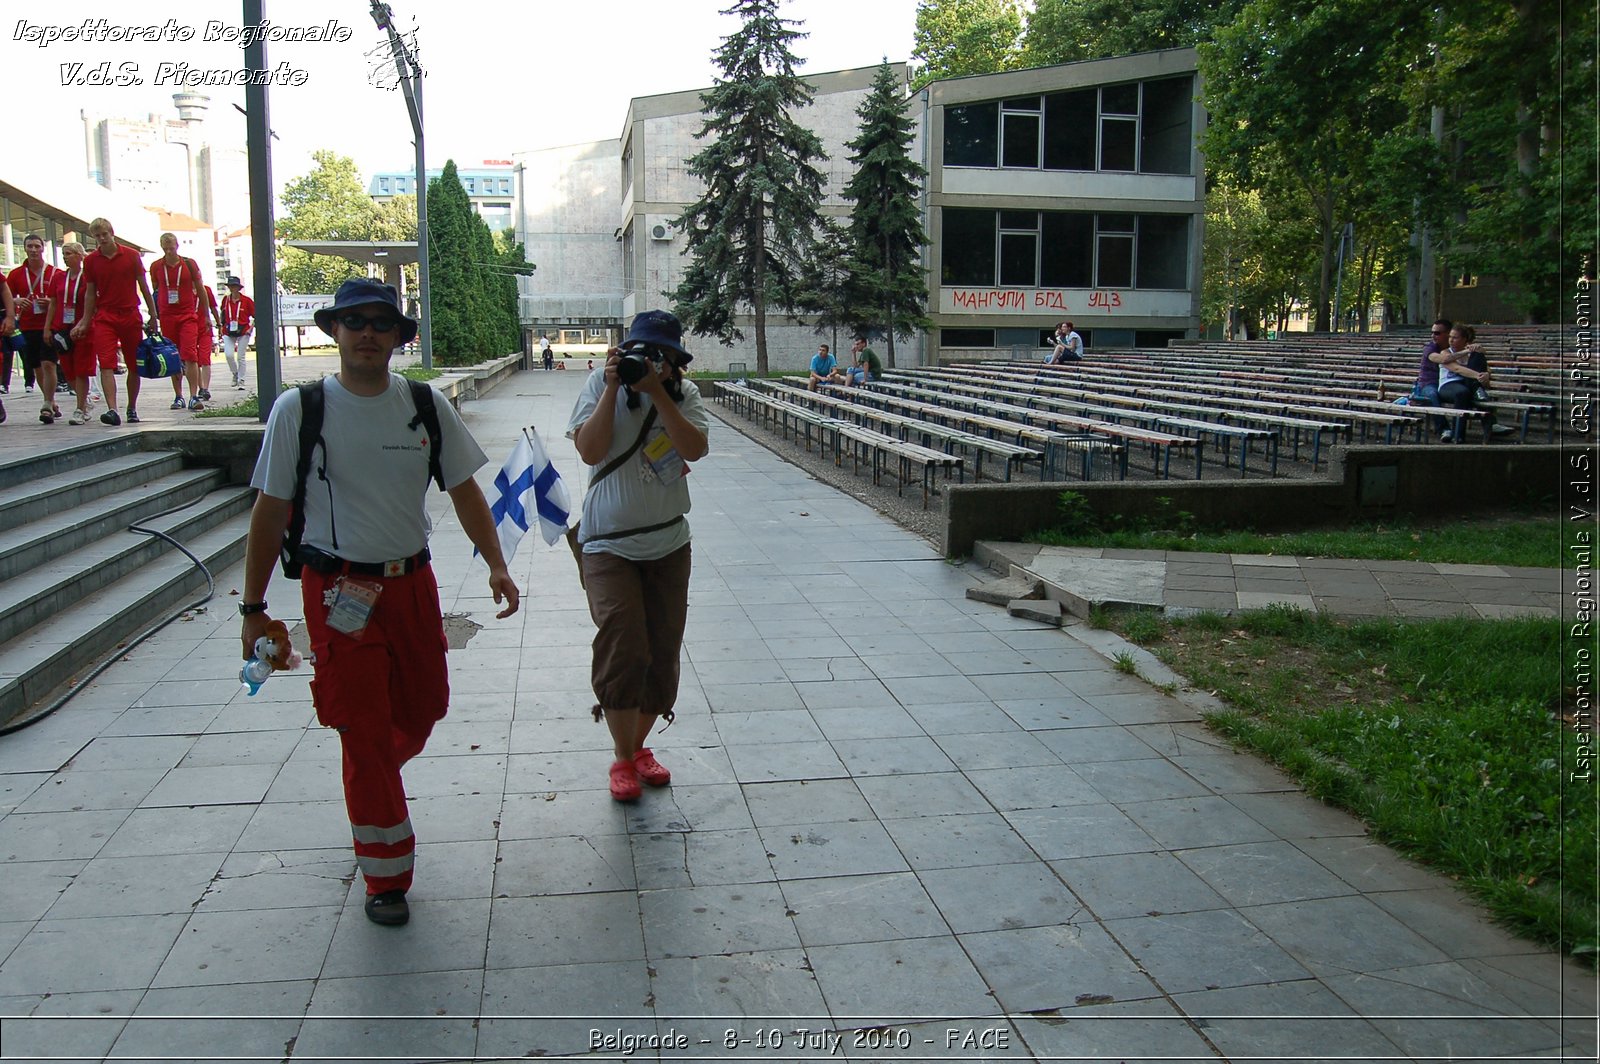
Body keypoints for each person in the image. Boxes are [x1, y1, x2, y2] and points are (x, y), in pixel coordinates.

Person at [238, 279, 520, 926]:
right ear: (333, 331)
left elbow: (465, 491)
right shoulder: (299, 410)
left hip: (411, 585)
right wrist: (253, 607)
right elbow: (271, 509)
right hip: (338, 591)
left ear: (398, 337)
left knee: (423, 708)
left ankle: (369, 784)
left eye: (380, 322)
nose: (367, 332)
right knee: (362, 727)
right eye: (354, 321)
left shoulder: (421, 403)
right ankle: (385, 874)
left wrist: (498, 565)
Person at [567, 309, 710, 802]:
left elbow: (694, 449)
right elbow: (589, 451)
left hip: (669, 543)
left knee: (663, 653)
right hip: (608, 544)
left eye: (660, 355)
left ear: (674, 361)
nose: (649, 362)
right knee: (624, 644)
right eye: (640, 352)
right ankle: (622, 757)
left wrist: (656, 394)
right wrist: (612, 388)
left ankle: (639, 745)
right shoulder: (596, 387)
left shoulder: (684, 396)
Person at [71, 217, 161, 426]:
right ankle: (112, 409)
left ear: (112, 233)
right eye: (97, 236)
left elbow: (144, 286)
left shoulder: (131, 256)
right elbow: (91, 293)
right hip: (105, 316)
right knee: (106, 363)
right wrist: (85, 320)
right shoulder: (91, 261)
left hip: (130, 315)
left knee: (134, 364)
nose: (102, 239)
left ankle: (132, 407)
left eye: (104, 234)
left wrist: (154, 315)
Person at [150, 232, 210, 411]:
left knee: (190, 353)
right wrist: (155, 315)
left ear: (177, 246)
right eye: (165, 248)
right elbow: (156, 290)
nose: (169, 251)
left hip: (187, 315)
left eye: (172, 248)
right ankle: (178, 395)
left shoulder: (189, 264)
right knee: (172, 355)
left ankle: (193, 395)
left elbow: (201, 290)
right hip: (168, 316)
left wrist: (206, 315)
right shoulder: (156, 266)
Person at [6, 235, 61, 422]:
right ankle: (51, 400)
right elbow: (6, 297)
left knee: (48, 363)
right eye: (29, 246)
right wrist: (16, 301)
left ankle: (46, 403)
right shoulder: (16, 274)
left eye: (37, 246)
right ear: (25, 249)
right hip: (28, 325)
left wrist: (51, 302)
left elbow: (62, 299)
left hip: (50, 324)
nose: (33, 250)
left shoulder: (55, 273)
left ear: (43, 248)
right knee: (37, 366)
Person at [1433, 324, 1514, 441]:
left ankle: (1490, 424)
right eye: (1450, 337)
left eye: (1455, 338)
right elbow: (1457, 369)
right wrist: (1478, 375)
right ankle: (1459, 434)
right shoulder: (1445, 353)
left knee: (1478, 353)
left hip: (1467, 383)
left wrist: (1486, 374)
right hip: (1449, 385)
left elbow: (1486, 368)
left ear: (1465, 339)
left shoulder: (1472, 353)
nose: (1451, 340)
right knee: (1463, 393)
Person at [43, 242, 92, 425]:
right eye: (64, 254)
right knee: (68, 368)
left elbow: (93, 301)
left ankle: (80, 408)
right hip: (62, 328)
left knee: (81, 369)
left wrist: (85, 322)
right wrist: (48, 327)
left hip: (82, 328)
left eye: (69, 253)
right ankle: (84, 400)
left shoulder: (87, 277)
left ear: (80, 255)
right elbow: (53, 303)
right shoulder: (58, 277)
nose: (65, 257)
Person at [220, 276, 255, 389]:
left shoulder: (247, 301)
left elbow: (256, 316)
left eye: (234, 286)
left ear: (238, 288)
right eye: (230, 286)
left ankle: (241, 379)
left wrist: (250, 329)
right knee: (229, 354)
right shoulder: (226, 300)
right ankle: (235, 373)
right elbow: (223, 314)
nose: (232, 288)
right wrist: (221, 327)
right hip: (228, 331)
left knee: (241, 356)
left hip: (243, 330)